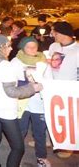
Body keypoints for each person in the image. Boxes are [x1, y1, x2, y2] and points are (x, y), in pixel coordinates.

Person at [0, 34, 42, 167]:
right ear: (1, 47)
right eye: (8, 46)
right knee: (18, 147)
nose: (11, 49)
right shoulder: (5, 65)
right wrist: (32, 88)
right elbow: (11, 91)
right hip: (5, 110)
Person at [11, 36, 52, 167]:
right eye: (28, 46)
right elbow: (11, 81)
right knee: (20, 131)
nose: (32, 49)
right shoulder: (16, 61)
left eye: (34, 46)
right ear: (23, 48)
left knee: (40, 132)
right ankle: (16, 155)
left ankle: (41, 157)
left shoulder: (44, 61)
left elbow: (50, 79)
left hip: (39, 103)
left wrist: (44, 83)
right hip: (22, 102)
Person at [47, 21, 79, 159]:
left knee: (67, 119)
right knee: (51, 115)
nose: (52, 34)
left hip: (69, 91)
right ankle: (51, 140)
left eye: (54, 32)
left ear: (62, 34)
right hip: (52, 88)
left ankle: (67, 147)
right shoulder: (54, 46)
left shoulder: (77, 50)